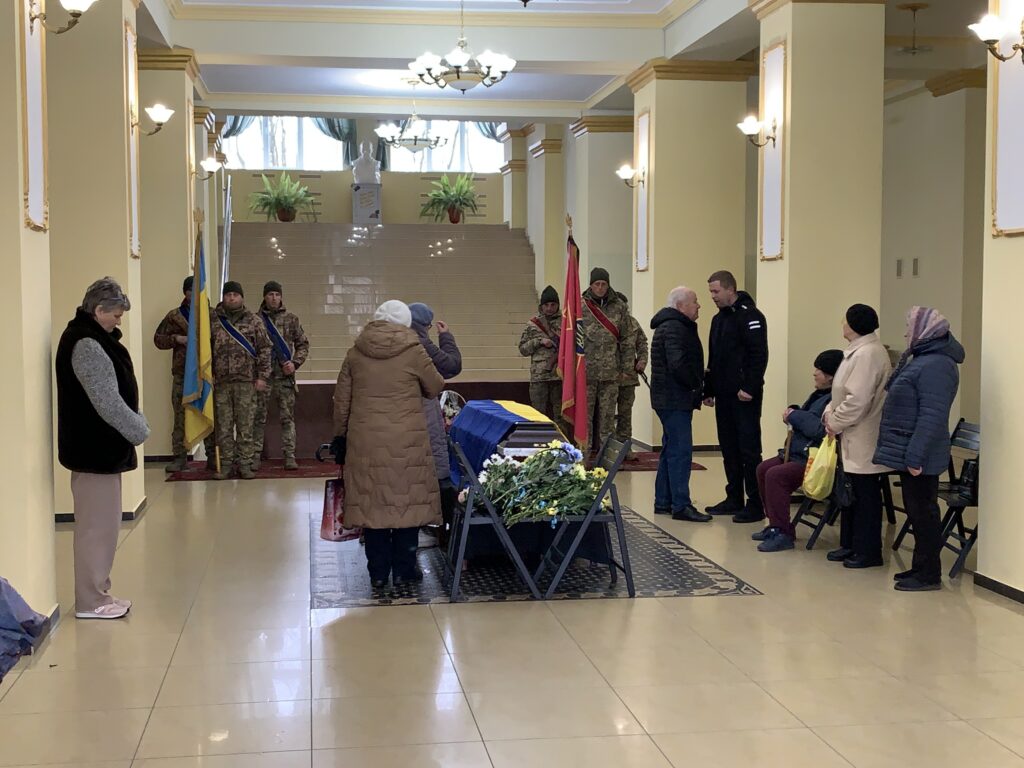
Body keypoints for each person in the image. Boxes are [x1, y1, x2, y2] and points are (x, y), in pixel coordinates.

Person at [333, 300, 445, 588]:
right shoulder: (414, 351)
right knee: (407, 502)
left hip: (365, 441)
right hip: (407, 441)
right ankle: (405, 569)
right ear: (405, 323)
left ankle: (378, 573)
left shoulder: (355, 353)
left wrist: (341, 436)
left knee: (372, 505)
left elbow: (342, 401)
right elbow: (435, 386)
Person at [56, 278, 150, 620]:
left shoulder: (92, 338)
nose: (119, 320)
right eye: (116, 314)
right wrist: (139, 429)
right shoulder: (87, 345)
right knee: (96, 530)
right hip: (94, 451)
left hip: (101, 452)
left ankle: (100, 593)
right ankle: (90, 601)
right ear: (98, 310)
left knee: (105, 527)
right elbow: (107, 402)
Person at [874, 307, 963, 591]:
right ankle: (920, 567)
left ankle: (929, 574)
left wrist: (915, 455)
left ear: (925, 332)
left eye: (909, 328)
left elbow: (931, 416)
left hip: (921, 452)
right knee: (916, 511)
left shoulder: (937, 365)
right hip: (912, 448)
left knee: (924, 513)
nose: (905, 333)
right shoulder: (923, 359)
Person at [823, 304, 893, 569]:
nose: (842, 324)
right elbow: (840, 393)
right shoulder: (858, 351)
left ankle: (867, 550)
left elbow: (857, 400)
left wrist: (834, 421)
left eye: (845, 320)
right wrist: (830, 413)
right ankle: (850, 544)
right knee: (850, 492)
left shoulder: (868, 354)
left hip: (862, 432)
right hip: (850, 429)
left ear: (852, 325)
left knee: (865, 495)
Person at [753, 349, 844, 552]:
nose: (814, 373)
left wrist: (794, 415)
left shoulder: (834, 399)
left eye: (819, 370)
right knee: (763, 469)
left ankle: (783, 534)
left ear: (830, 375)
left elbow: (819, 429)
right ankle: (776, 524)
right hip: (799, 452)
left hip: (814, 458)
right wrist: (795, 412)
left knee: (776, 475)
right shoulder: (818, 395)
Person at [703, 270, 769, 523]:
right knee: (729, 447)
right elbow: (714, 358)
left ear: (731, 289)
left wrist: (750, 387)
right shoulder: (719, 319)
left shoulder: (751, 316)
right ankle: (734, 497)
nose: (712, 296)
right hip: (724, 394)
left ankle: (755, 503)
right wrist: (709, 389)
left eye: (716, 291)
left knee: (748, 449)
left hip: (744, 396)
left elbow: (758, 355)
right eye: (711, 292)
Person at [650, 287, 711, 523]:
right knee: (680, 452)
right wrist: (696, 384)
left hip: (668, 397)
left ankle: (663, 501)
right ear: (680, 306)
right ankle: (681, 505)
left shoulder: (670, 325)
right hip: (674, 398)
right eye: (694, 301)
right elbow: (678, 364)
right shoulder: (675, 327)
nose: (698, 305)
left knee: (670, 449)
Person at [409, 302, 462, 543]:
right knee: (434, 468)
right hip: (422, 412)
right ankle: (438, 527)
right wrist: (446, 337)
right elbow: (451, 366)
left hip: (394, 417)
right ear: (424, 325)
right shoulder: (420, 343)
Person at [153, 276, 216, 472]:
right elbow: (158, 339)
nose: (193, 294)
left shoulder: (212, 315)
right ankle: (179, 457)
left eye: (196, 290)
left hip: (207, 374)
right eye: (190, 291)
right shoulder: (175, 316)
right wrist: (177, 339)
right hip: (183, 374)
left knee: (209, 412)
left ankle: (212, 456)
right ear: (185, 293)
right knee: (180, 417)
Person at [211, 281, 271, 480]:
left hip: (246, 382)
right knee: (224, 427)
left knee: (245, 426)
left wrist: (262, 376)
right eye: (228, 294)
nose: (232, 298)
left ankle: (245, 464)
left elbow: (265, 349)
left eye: (235, 294)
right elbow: (204, 351)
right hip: (221, 383)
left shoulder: (254, 320)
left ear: (242, 297)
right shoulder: (214, 321)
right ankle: (226, 464)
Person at [252, 281, 309, 471]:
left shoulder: (291, 319)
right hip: (263, 377)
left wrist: (295, 363)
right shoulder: (255, 320)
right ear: (264, 297)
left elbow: (303, 344)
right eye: (270, 294)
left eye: (277, 294)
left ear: (281, 296)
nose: (274, 298)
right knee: (258, 418)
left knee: (287, 419)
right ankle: (255, 456)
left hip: (284, 378)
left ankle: (289, 456)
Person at [582, 268, 628, 451]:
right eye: (597, 284)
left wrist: (626, 368)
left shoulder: (619, 307)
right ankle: (583, 456)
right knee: (585, 419)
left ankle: (607, 457)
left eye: (604, 284)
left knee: (607, 420)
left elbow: (626, 340)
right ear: (591, 285)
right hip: (586, 372)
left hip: (611, 373)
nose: (600, 288)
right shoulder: (581, 306)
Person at [519, 285, 569, 437]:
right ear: (541, 306)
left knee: (561, 415)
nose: (549, 308)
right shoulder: (533, 325)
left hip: (559, 377)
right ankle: (538, 442)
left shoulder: (566, 323)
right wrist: (539, 341)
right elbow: (523, 349)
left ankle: (562, 442)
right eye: (546, 305)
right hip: (539, 377)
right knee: (538, 414)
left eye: (553, 305)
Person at [616, 292, 649, 447]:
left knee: (625, 415)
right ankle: (606, 449)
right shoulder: (604, 324)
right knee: (605, 417)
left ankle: (624, 447)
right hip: (608, 378)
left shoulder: (633, 323)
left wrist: (642, 361)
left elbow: (642, 343)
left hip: (628, 378)